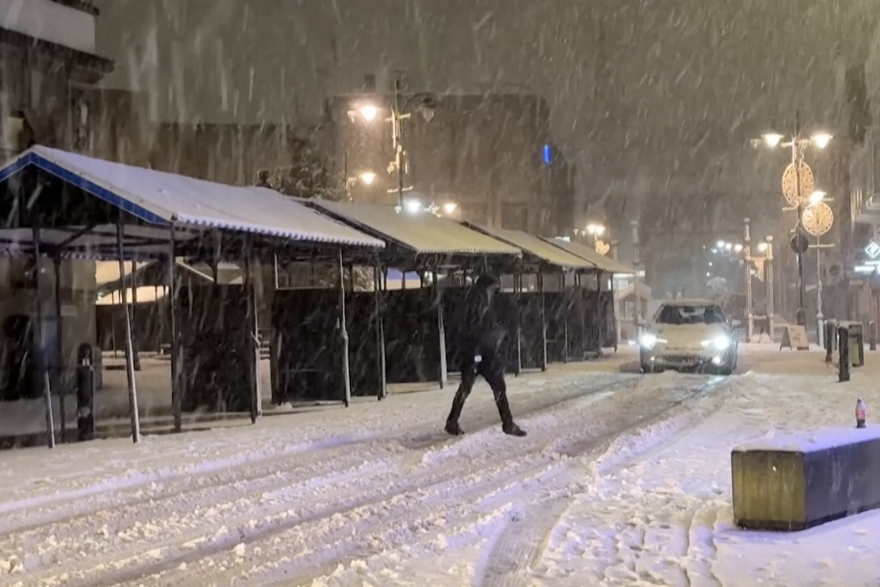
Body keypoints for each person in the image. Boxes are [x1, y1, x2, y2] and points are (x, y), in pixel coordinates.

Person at [445, 273, 526, 437]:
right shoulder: (478, 303)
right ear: (486, 288)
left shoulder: (478, 302)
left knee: (468, 387)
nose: (494, 292)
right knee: (495, 387)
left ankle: (452, 422)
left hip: (478, 353)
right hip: (480, 353)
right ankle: (507, 423)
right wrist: (481, 350)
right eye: (493, 289)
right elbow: (476, 329)